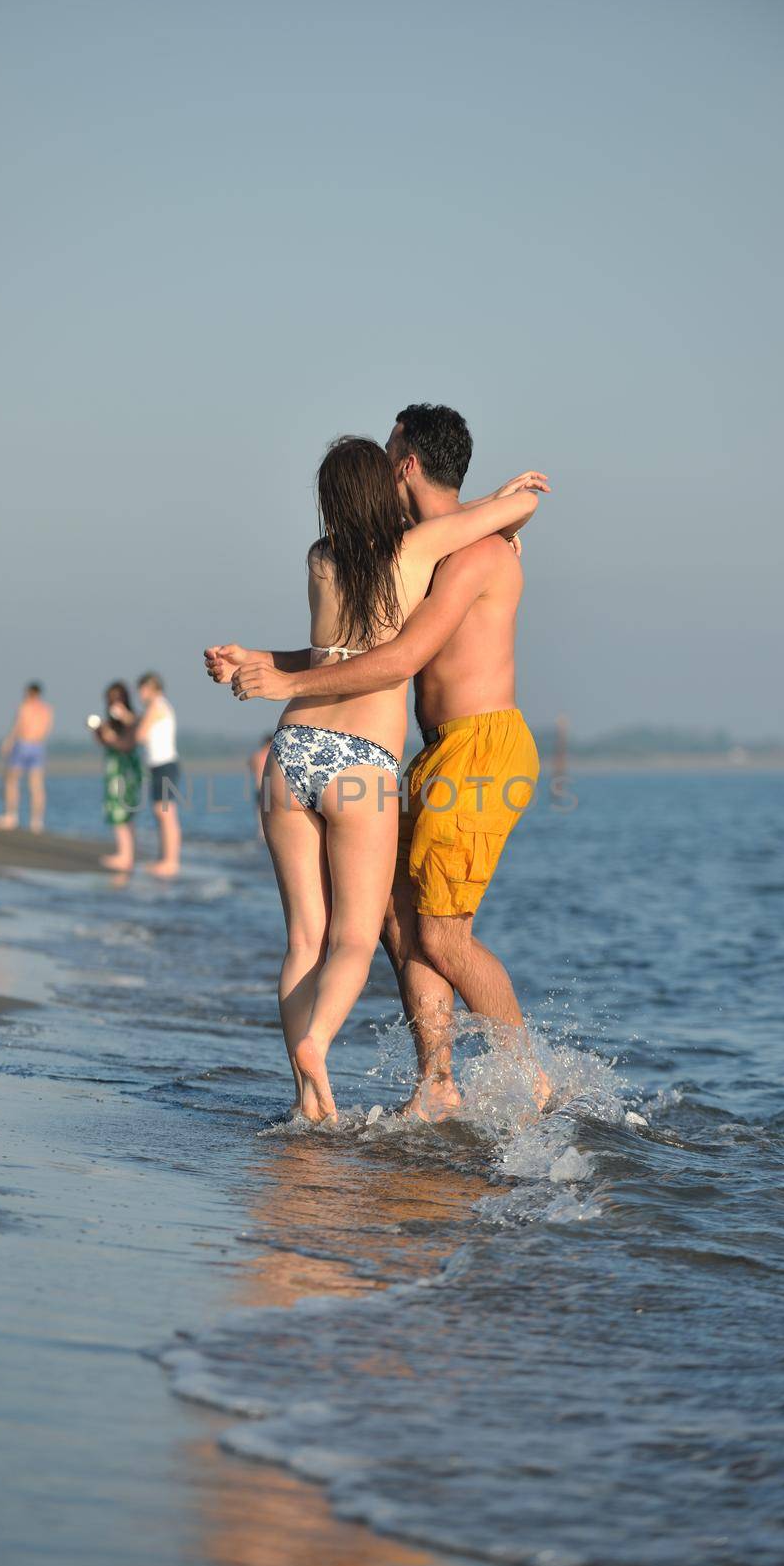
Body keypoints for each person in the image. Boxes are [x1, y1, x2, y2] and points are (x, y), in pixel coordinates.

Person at [208, 405, 551, 1120]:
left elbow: (386, 657)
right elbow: (360, 656)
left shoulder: (365, 557)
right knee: (385, 930)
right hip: (391, 756)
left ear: (407, 464)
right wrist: (268, 663)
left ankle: (530, 1084)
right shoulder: (416, 553)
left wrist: (280, 679)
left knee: (418, 933)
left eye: (394, 443)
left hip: (421, 747)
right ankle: (435, 1083)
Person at [88, 682, 142, 872]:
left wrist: (122, 721)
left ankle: (126, 856)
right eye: (110, 698)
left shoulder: (133, 719)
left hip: (125, 770)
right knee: (119, 810)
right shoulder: (109, 722)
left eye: (117, 698)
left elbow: (133, 739)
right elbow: (103, 742)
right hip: (115, 769)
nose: (113, 703)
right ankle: (126, 854)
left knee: (122, 810)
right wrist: (100, 732)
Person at [135, 672, 182, 877]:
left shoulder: (157, 706)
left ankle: (171, 862)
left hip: (165, 765)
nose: (139, 694)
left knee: (166, 813)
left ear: (152, 688)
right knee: (160, 812)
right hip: (158, 765)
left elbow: (139, 734)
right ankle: (164, 859)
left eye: (142, 689)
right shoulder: (157, 707)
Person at [0, 683, 54, 833]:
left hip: (23, 744)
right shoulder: (47, 710)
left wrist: (8, 741)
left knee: (11, 780)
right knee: (36, 785)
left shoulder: (25, 707)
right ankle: (36, 822)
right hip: (38, 746)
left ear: (29, 693)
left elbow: (18, 726)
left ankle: (11, 816)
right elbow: (46, 730)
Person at [248, 734, 273, 840]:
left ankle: (261, 833)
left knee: (260, 812)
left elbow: (251, 766)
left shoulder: (256, 755)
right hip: (269, 787)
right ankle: (268, 834)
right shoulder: (273, 754)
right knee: (272, 812)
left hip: (259, 787)